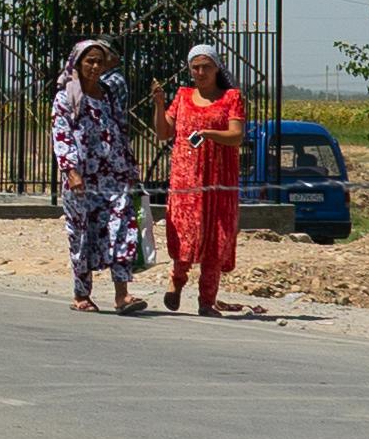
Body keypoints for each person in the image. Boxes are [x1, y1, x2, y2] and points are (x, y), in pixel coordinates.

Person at [50, 38, 148, 312]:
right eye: (89, 61)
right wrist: (71, 171)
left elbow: (120, 131)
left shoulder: (109, 95)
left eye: (99, 62)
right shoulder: (66, 97)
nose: (94, 66)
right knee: (82, 234)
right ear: (78, 64)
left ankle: (122, 295)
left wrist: (130, 167)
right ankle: (82, 294)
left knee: (121, 229)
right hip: (82, 179)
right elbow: (62, 135)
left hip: (113, 176)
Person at [161, 42, 251, 316]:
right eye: (196, 67)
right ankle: (176, 281)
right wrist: (157, 104)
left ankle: (207, 300)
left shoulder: (231, 97)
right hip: (186, 180)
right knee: (186, 233)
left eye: (206, 67)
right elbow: (164, 131)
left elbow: (236, 135)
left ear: (216, 68)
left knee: (216, 236)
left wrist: (209, 134)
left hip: (219, 181)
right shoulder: (183, 96)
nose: (201, 72)